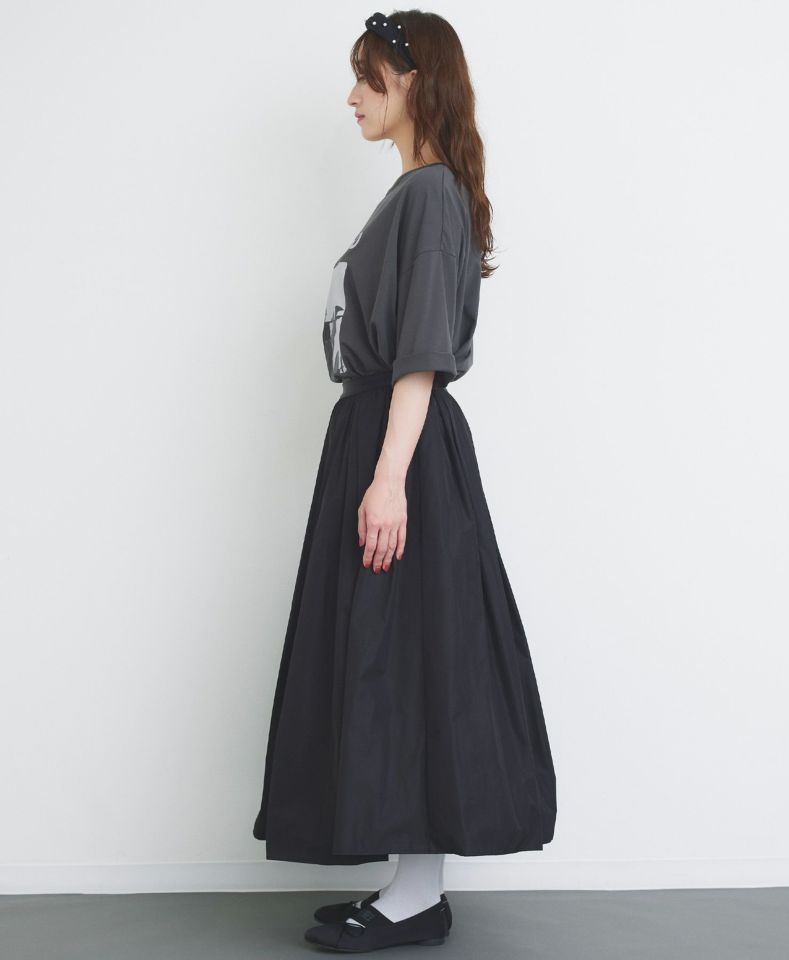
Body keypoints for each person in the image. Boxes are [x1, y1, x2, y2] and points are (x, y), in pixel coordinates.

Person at [252, 10, 557, 952]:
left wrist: (389, 479)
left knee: (407, 657)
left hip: (402, 446)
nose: (352, 96)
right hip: (384, 438)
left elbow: (419, 354)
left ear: (414, 83)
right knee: (394, 654)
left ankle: (416, 898)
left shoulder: (427, 197)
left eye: (368, 78)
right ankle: (409, 887)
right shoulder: (418, 193)